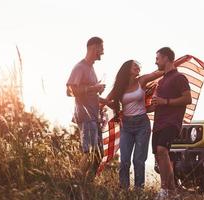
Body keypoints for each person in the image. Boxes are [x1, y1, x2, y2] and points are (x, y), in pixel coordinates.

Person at [106, 60, 164, 189]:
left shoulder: (141, 80)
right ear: (127, 69)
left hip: (142, 125)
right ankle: (124, 190)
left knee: (138, 160)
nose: (138, 67)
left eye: (138, 65)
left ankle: (139, 190)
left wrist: (172, 64)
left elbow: (157, 74)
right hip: (126, 126)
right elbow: (107, 100)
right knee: (125, 161)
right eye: (134, 66)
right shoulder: (120, 86)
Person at [151, 47, 192, 199]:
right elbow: (157, 103)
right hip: (158, 124)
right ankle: (172, 191)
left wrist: (165, 101)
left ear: (167, 58)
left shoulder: (179, 77)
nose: (155, 62)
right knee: (159, 155)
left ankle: (164, 190)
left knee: (162, 150)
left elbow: (188, 99)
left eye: (157, 59)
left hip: (171, 122)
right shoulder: (161, 81)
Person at [66, 36, 107, 179]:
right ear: (94, 47)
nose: (103, 52)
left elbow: (91, 93)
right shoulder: (80, 67)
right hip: (86, 116)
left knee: (98, 155)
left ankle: (86, 185)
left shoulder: (91, 68)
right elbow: (70, 91)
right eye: (101, 48)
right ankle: (74, 183)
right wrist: (93, 88)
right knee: (89, 152)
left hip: (94, 117)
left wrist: (105, 100)